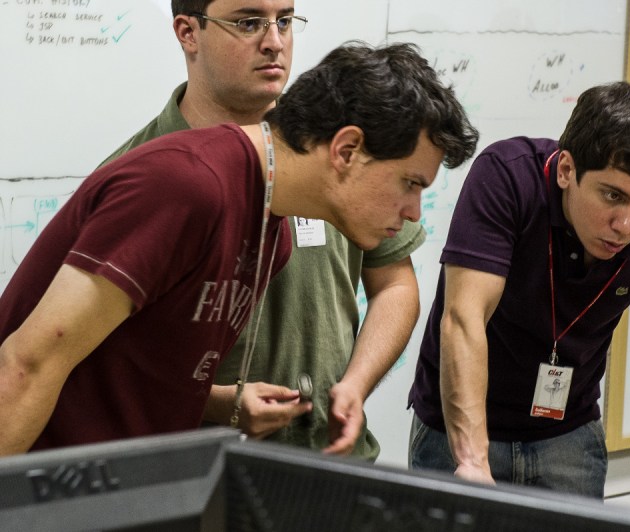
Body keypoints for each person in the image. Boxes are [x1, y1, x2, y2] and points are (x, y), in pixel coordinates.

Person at [0, 41, 479, 456]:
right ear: (347, 150)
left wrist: (224, 403)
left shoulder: (274, 227)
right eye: (409, 183)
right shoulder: (188, 184)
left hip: (129, 487)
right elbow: (27, 363)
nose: (415, 211)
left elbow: (137, 363)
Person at [102, 0, 429, 460]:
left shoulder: (339, 152)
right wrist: (218, 403)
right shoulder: (141, 176)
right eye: (248, 22)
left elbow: (394, 282)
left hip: (333, 464)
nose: (274, 41)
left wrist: (354, 385)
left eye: (285, 20)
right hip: (202, 474)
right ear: (188, 32)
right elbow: (101, 358)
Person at [407, 81, 630, 498]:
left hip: (568, 435)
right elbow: (463, 319)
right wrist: (472, 460)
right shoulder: (508, 178)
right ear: (567, 170)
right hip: (460, 428)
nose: (626, 225)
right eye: (613, 195)